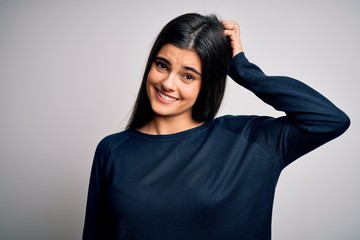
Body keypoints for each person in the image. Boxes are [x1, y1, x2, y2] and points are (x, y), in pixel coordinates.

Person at [83, 13, 350, 240]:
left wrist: (243, 69)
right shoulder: (113, 150)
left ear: (207, 82)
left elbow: (329, 120)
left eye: (188, 75)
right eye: (162, 65)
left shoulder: (248, 142)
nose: (168, 83)